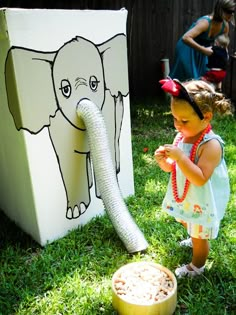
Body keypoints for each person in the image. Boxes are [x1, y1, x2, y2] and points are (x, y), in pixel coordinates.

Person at [155, 78, 232, 278]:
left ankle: (197, 266)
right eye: (174, 118)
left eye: (184, 121)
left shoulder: (211, 145)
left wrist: (180, 157)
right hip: (188, 194)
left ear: (206, 117)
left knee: (200, 237)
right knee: (185, 220)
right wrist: (165, 162)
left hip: (202, 197)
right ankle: (192, 232)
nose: (177, 125)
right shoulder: (181, 136)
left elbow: (199, 178)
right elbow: (172, 169)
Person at [169, 0, 235, 81]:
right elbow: (185, 38)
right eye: (229, 11)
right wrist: (203, 50)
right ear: (220, 10)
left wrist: (225, 54)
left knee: (200, 80)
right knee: (187, 80)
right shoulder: (205, 22)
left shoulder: (225, 26)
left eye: (233, 12)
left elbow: (224, 43)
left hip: (202, 52)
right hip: (187, 49)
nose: (232, 14)